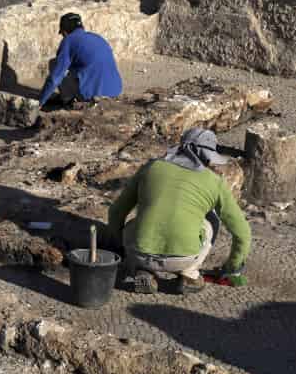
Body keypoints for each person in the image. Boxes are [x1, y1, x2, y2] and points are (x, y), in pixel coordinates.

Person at [107, 126, 251, 295]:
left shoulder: (152, 167)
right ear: (207, 156)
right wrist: (233, 267)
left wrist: (120, 249)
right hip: (183, 258)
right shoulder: (214, 181)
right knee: (211, 218)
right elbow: (243, 233)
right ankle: (189, 275)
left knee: (135, 223)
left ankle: (142, 268)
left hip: (138, 252)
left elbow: (116, 212)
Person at [38, 13, 123, 110]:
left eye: (62, 34)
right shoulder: (97, 37)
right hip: (115, 91)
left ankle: (69, 101)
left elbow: (55, 78)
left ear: (65, 32)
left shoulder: (69, 41)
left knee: (54, 63)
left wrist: (40, 102)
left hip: (92, 97)